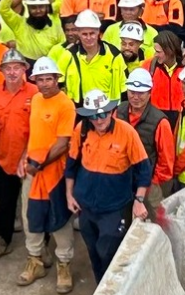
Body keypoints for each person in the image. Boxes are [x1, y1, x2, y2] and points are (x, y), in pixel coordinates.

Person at [65, 90, 152, 284]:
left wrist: (139, 200)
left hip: (114, 209)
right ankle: (100, 290)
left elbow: (144, 170)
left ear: (112, 111)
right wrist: (69, 195)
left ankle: (114, 293)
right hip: (86, 207)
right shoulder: (82, 129)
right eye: (93, 115)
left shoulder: (127, 133)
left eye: (103, 113)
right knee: (94, 251)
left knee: (110, 252)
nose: (99, 119)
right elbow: (71, 164)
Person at [18, 56, 76, 294]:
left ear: (57, 79)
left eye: (48, 79)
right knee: (30, 216)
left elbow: (63, 143)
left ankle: (64, 264)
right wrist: (24, 158)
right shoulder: (37, 101)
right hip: (32, 169)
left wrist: (38, 163)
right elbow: (34, 134)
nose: (43, 84)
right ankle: (36, 260)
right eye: (39, 79)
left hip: (54, 172)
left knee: (59, 218)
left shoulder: (65, 104)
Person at [0, 49, 38, 263]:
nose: (12, 72)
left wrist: (28, 154)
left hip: (31, 161)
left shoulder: (35, 93)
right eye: (8, 68)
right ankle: (2, 240)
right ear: (2, 70)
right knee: (4, 203)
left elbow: (40, 128)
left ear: (24, 69)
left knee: (35, 205)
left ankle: (41, 248)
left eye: (17, 67)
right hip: (3, 160)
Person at [122, 68, 175, 216]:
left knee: (155, 220)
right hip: (122, 181)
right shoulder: (118, 112)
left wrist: (153, 182)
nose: (136, 97)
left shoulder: (160, 121)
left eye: (141, 93)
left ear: (150, 93)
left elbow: (166, 160)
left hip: (150, 184)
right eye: (132, 92)